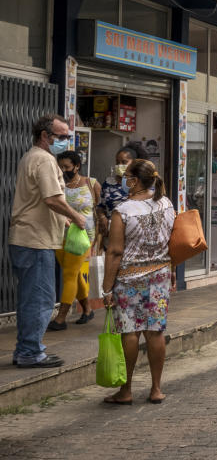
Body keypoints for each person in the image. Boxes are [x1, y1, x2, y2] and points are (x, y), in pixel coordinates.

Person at [9, 115, 87, 368]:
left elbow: (37, 200)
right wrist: (76, 217)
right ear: (45, 135)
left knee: (32, 297)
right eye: (62, 137)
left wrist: (61, 221)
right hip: (35, 241)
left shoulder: (31, 156)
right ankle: (30, 352)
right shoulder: (43, 160)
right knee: (40, 298)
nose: (66, 141)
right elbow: (52, 199)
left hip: (30, 238)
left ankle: (28, 348)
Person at [101, 158, 175, 404]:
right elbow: (173, 242)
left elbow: (114, 252)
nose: (124, 180)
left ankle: (126, 390)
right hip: (160, 274)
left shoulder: (123, 211)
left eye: (127, 176)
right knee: (155, 332)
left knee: (130, 332)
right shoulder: (166, 203)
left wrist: (106, 287)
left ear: (133, 180)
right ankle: (156, 389)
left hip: (129, 277)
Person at [48, 151, 101, 330]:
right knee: (74, 272)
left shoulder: (91, 184)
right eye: (61, 167)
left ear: (77, 166)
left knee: (69, 273)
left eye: (67, 167)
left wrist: (99, 238)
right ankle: (87, 308)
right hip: (60, 234)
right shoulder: (57, 184)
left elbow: (98, 210)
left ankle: (61, 318)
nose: (64, 170)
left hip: (83, 236)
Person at [95, 145, 143, 251]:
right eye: (117, 162)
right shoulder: (108, 183)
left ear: (134, 163)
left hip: (133, 238)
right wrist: (102, 218)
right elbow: (100, 206)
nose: (119, 165)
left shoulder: (141, 184)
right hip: (110, 236)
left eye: (124, 162)